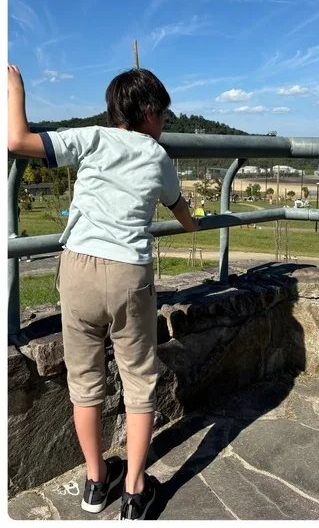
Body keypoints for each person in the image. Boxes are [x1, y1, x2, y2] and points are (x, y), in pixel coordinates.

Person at [7, 64, 199, 519]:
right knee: (138, 379)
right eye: (164, 115)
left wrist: (16, 89)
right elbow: (185, 216)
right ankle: (135, 488)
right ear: (150, 112)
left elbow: (16, 140)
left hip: (77, 268)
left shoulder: (91, 137)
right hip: (129, 273)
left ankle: (96, 481)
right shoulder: (158, 157)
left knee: (85, 381)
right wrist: (193, 219)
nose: (165, 124)